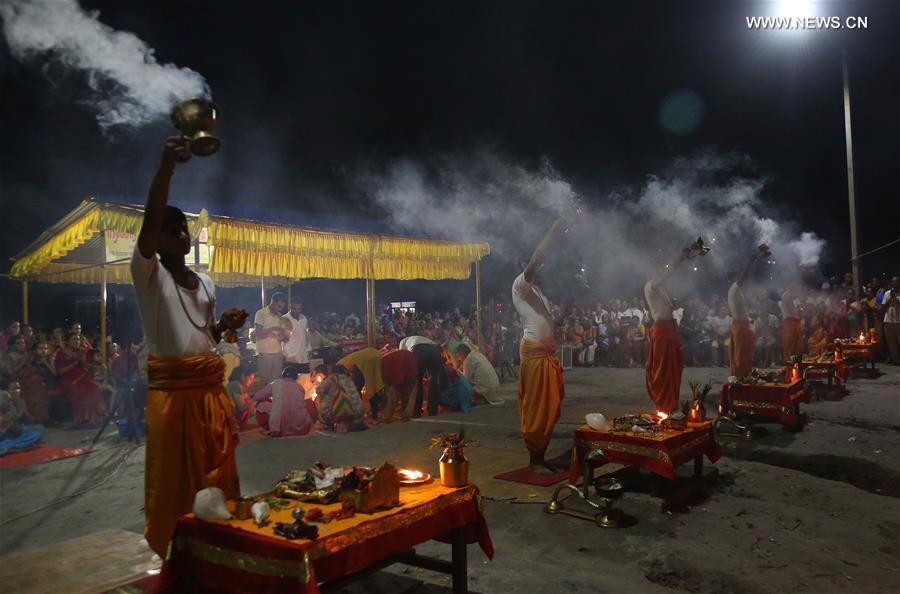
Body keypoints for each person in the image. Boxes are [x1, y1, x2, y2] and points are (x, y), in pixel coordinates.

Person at [131, 136, 248, 557]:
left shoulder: (206, 283)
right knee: (176, 484)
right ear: (156, 240)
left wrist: (224, 327)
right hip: (173, 400)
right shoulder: (148, 275)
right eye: (172, 229)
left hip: (210, 395)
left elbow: (204, 338)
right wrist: (167, 166)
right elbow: (151, 216)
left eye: (184, 229)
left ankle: (223, 554)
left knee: (217, 481)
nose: (182, 235)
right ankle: (177, 557)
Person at [513, 216, 571, 474]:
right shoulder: (520, 286)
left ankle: (541, 456)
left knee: (550, 407)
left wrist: (560, 317)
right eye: (537, 266)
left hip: (545, 353)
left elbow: (544, 320)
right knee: (537, 407)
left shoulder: (539, 293)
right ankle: (534, 461)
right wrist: (554, 229)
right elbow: (536, 259)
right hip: (535, 355)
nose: (542, 267)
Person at [644, 244, 692, 414]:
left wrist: (680, 302)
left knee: (674, 367)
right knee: (662, 369)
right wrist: (679, 259)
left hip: (670, 328)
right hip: (662, 331)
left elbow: (669, 308)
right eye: (659, 268)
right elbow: (665, 277)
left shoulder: (662, 289)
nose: (661, 271)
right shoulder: (651, 285)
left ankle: (671, 404)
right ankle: (663, 404)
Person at [728, 248, 765, 377]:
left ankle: (742, 378)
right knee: (741, 356)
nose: (741, 277)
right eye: (738, 275)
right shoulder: (734, 287)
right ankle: (740, 381)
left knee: (744, 355)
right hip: (740, 327)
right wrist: (750, 262)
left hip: (741, 325)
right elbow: (744, 276)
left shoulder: (735, 291)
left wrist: (749, 318)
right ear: (733, 278)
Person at [252, 366, 318, 437]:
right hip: (301, 426)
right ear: (295, 377)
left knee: (261, 405)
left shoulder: (275, 383)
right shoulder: (299, 387)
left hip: (282, 425)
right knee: (309, 403)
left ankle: (271, 428)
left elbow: (257, 397)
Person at [54, 333, 104, 426]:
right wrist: (75, 363)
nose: (76, 342)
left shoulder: (82, 352)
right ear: (67, 342)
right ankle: (81, 420)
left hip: (84, 378)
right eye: (73, 339)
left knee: (94, 387)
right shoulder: (61, 354)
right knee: (80, 390)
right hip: (68, 381)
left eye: (78, 340)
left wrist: (85, 362)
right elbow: (60, 372)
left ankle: (94, 418)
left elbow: (89, 367)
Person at [315, 365, 366, 432]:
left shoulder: (332, 378)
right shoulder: (349, 379)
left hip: (343, 413)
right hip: (359, 412)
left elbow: (318, 390)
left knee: (322, 398)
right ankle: (354, 423)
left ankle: (327, 424)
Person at [337, 347, 384, 418]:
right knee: (373, 386)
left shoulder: (338, 367)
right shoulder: (345, 360)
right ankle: (375, 413)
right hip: (375, 354)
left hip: (362, 361)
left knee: (359, 390)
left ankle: (362, 415)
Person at [254, 293, 290, 385]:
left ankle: (275, 399)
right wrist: (273, 328)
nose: (280, 309)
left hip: (278, 352)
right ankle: (265, 399)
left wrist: (284, 336)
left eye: (281, 307)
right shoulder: (261, 313)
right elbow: (257, 333)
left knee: (276, 382)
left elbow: (283, 336)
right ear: (272, 302)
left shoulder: (280, 316)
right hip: (265, 352)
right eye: (278, 306)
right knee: (265, 381)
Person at [380, 349, 419, 422]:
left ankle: (400, 415)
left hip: (408, 369)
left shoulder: (384, 368)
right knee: (406, 393)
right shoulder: (384, 360)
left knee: (404, 393)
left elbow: (396, 382)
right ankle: (404, 415)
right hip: (408, 364)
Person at [283, 295, 310, 373]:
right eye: (294, 308)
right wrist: (288, 355)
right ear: (290, 307)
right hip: (291, 359)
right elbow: (284, 340)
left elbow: (306, 335)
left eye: (299, 309)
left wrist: (309, 349)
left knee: (305, 381)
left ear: (301, 308)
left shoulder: (304, 319)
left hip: (303, 357)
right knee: (290, 382)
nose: (296, 311)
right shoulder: (285, 319)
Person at [781, 278, 804, 362]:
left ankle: (796, 363)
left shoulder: (794, 298)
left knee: (797, 345)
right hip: (789, 323)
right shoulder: (786, 295)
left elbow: (798, 310)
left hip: (795, 323)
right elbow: (792, 311)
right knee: (789, 344)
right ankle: (789, 363)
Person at [881, 276, 900, 364]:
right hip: (888, 320)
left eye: (896, 282)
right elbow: (884, 306)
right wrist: (890, 298)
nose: (894, 284)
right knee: (891, 343)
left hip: (898, 320)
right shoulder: (887, 293)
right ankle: (896, 361)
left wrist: (895, 298)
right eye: (893, 282)